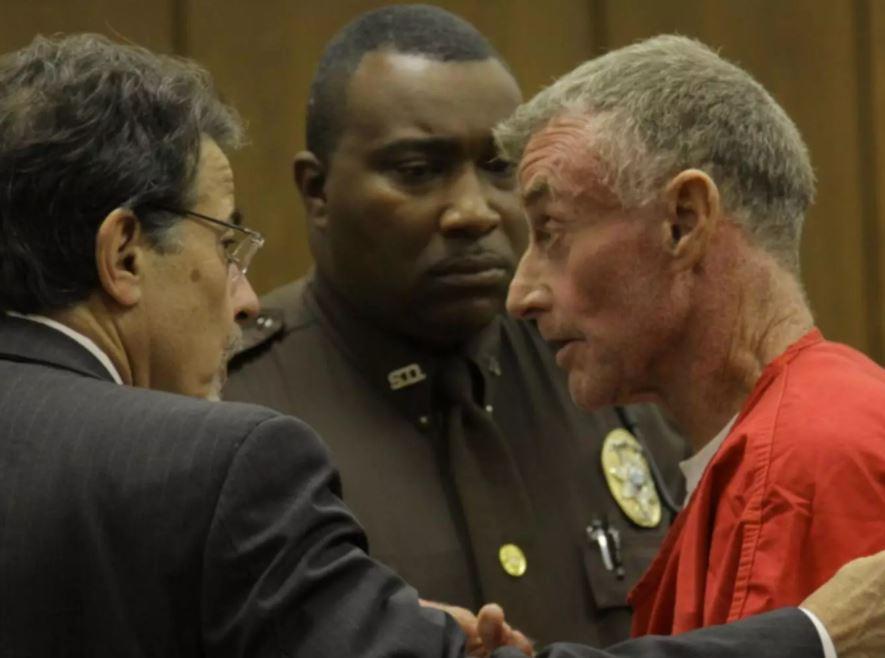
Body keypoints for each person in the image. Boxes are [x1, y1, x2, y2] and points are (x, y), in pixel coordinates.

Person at [3, 30, 884, 658]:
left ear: (686, 222)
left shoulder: (775, 429)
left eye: (536, 213)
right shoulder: (224, 444)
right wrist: (812, 639)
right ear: (123, 254)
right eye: (225, 241)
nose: (495, 244)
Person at [225, 6, 686, 646]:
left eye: (499, 167)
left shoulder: (601, 369)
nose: (473, 212)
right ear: (318, 191)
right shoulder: (233, 409)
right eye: (417, 171)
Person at [499, 34, 885, 641]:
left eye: (552, 231)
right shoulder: (780, 439)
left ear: (683, 222)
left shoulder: (806, 461)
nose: (520, 294)